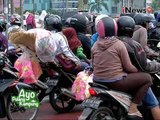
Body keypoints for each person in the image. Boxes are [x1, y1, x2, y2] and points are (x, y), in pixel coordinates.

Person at [91, 16, 152, 119]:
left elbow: (93, 65)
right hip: (115, 82)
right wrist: (137, 71)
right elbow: (128, 67)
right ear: (115, 29)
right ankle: (133, 108)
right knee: (147, 78)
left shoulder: (95, 45)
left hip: (97, 80)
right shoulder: (119, 44)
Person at [117, 15, 160, 120]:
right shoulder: (133, 44)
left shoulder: (108, 42)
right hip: (126, 78)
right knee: (153, 102)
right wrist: (158, 65)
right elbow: (144, 66)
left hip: (106, 77)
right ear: (131, 29)